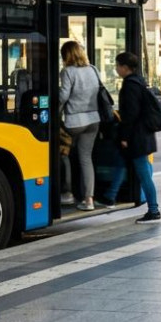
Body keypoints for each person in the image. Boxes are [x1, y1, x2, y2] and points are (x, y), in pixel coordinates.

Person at [103, 52, 161, 223]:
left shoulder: (130, 86)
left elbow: (130, 115)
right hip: (144, 135)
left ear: (124, 67)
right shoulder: (139, 82)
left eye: (117, 65)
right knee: (124, 163)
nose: (116, 69)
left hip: (137, 138)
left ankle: (154, 209)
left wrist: (125, 137)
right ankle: (110, 195)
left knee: (144, 174)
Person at [58, 41, 101, 210]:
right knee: (85, 159)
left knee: (63, 153)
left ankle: (67, 193)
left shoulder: (67, 72)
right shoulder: (93, 69)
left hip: (74, 122)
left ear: (65, 55)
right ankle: (89, 200)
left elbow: (63, 96)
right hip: (93, 120)